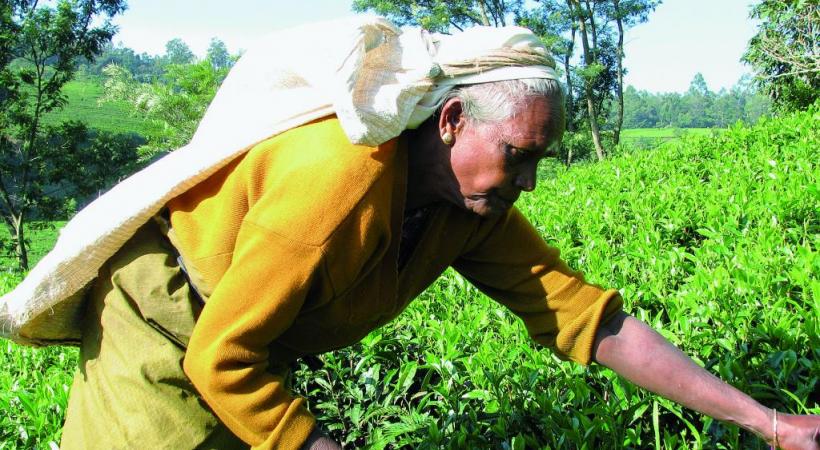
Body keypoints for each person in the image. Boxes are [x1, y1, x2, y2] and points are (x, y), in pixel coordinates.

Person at [13, 17, 816, 450]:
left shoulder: (468, 210)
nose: (528, 182)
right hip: (166, 320)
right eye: (518, 156)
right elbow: (219, 357)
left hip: (243, 336)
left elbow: (587, 317)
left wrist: (764, 421)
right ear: (455, 120)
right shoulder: (342, 178)